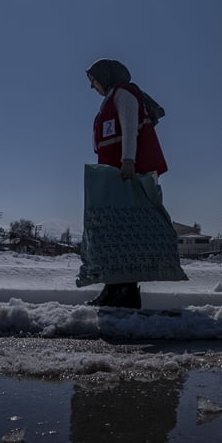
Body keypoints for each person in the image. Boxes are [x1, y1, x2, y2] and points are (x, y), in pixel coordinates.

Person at [84, 58, 168, 309]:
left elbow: (130, 128)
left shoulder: (125, 93)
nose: (92, 87)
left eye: (93, 80)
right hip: (115, 174)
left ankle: (127, 292)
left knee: (123, 233)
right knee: (113, 234)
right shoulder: (111, 97)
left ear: (105, 76)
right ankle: (113, 289)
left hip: (127, 173)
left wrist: (128, 161)